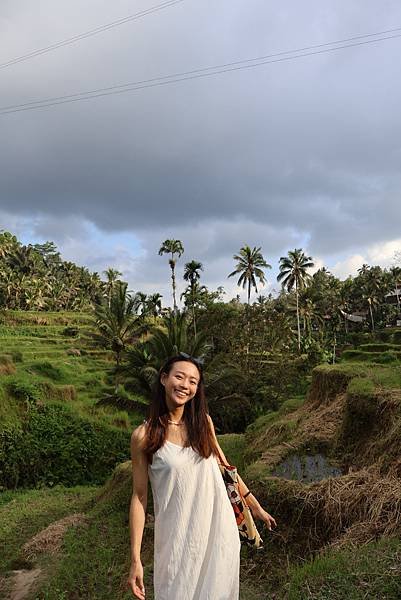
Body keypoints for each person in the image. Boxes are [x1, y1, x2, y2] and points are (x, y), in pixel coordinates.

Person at [127, 354, 276, 600]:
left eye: (193, 381)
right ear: (164, 379)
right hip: (176, 541)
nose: (185, 385)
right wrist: (135, 559)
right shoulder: (144, 435)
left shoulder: (203, 424)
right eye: (179, 376)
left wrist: (255, 506)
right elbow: (139, 497)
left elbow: (226, 469)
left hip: (218, 533)